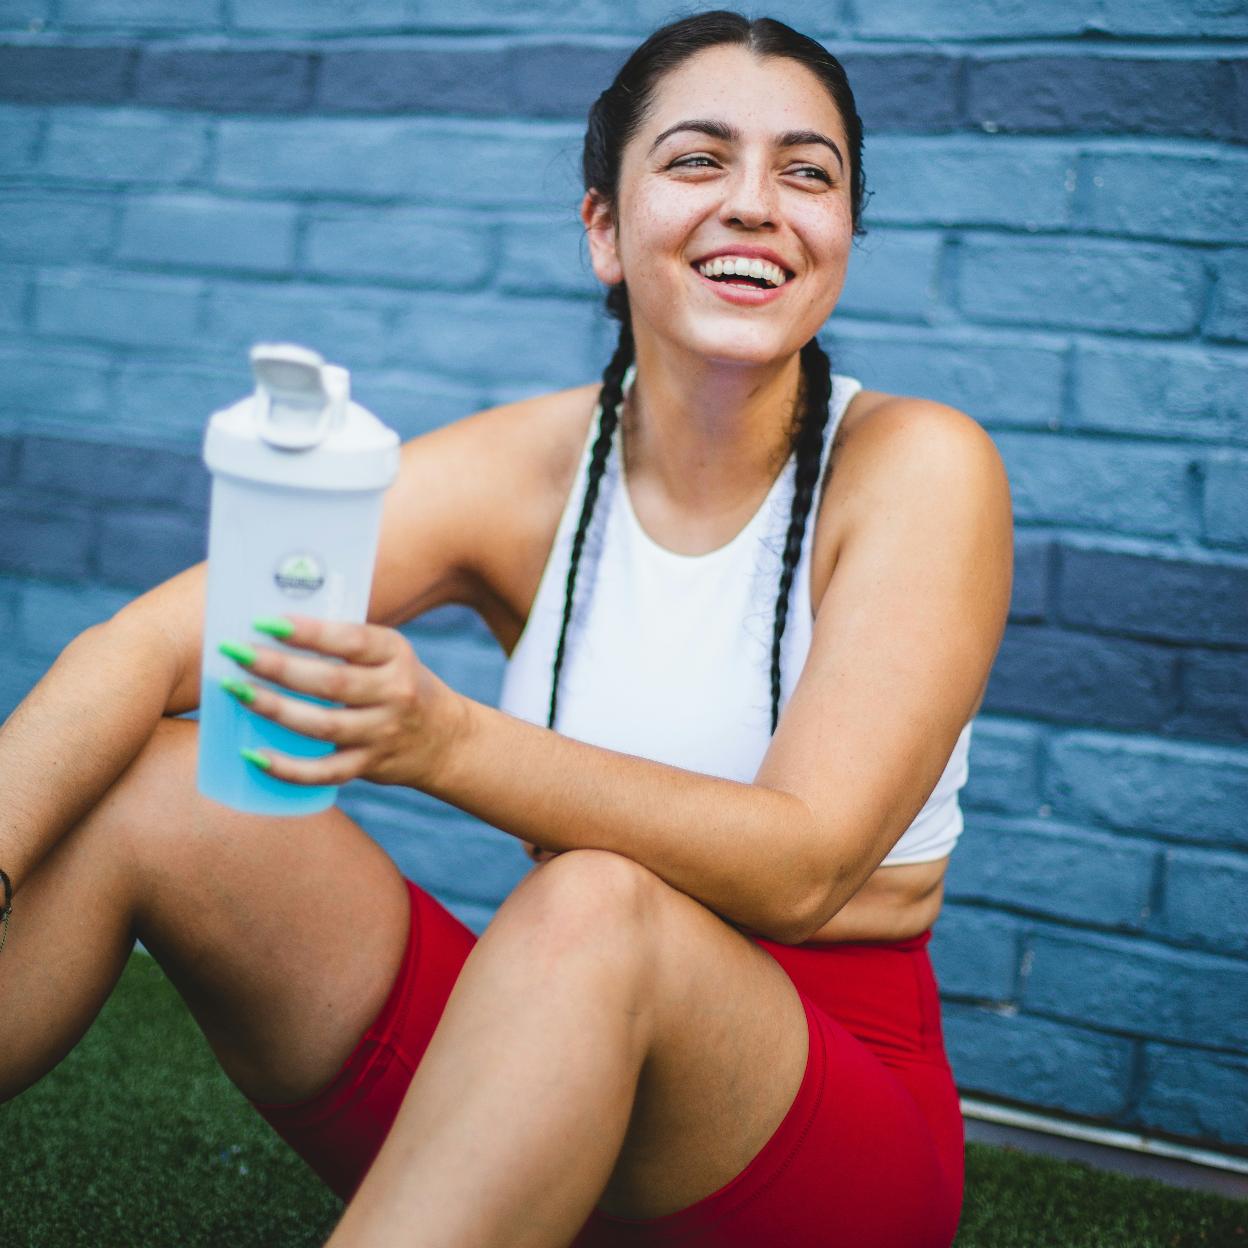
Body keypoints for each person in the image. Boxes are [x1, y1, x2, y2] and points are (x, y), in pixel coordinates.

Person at [0, 10, 1012, 1248]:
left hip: (812, 1127)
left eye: (808, 173)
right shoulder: (534, 469)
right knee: (156, 783)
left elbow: (804, 868)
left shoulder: (920, 467)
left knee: (596, 900)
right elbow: (145, 647)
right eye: (699, 161)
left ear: (841, 237)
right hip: (538, 1056)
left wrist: (439, 740)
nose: (757, 202)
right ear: (603, 227)